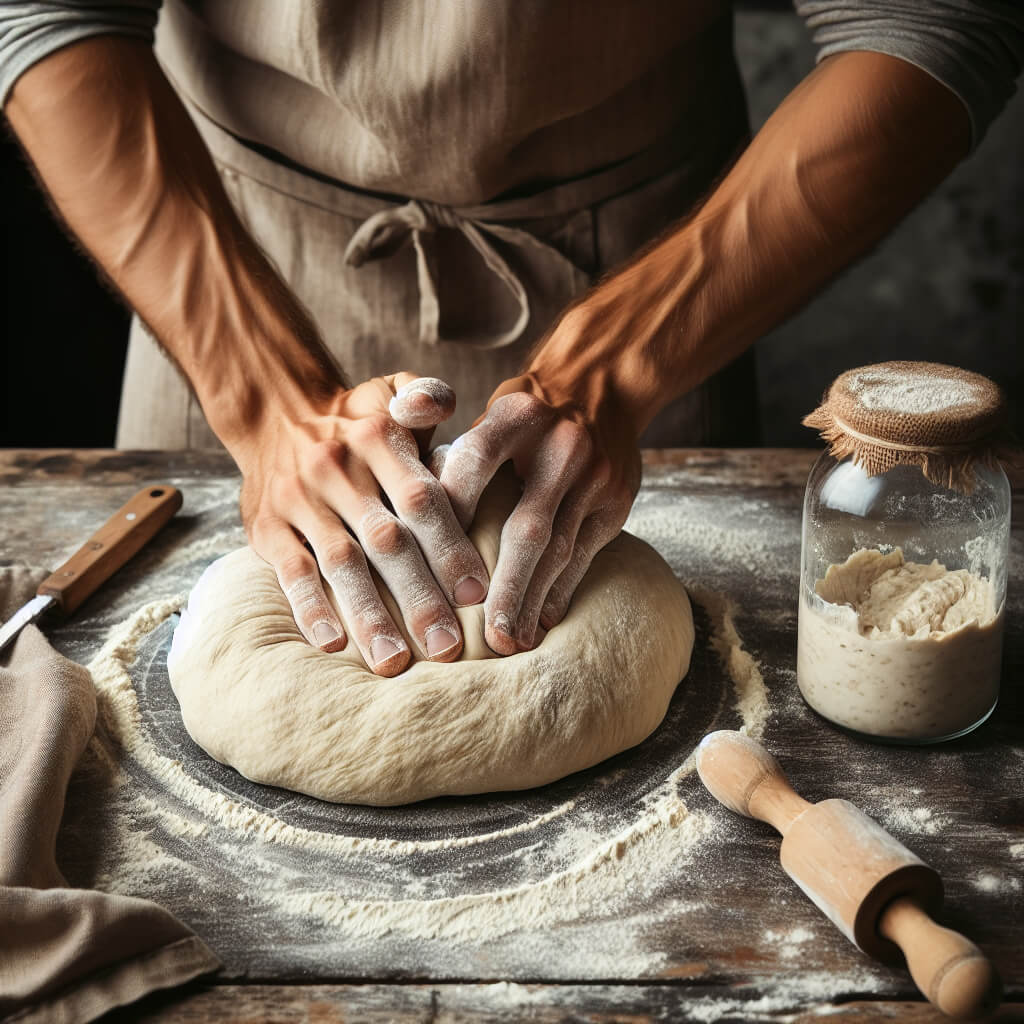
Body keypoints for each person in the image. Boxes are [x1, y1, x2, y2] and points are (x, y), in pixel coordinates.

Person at [2, 1, 1021, 676]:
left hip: (658, 276)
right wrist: (265, 402)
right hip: (225, 263)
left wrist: (619, 366)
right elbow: (51, 9)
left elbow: (936, 17)